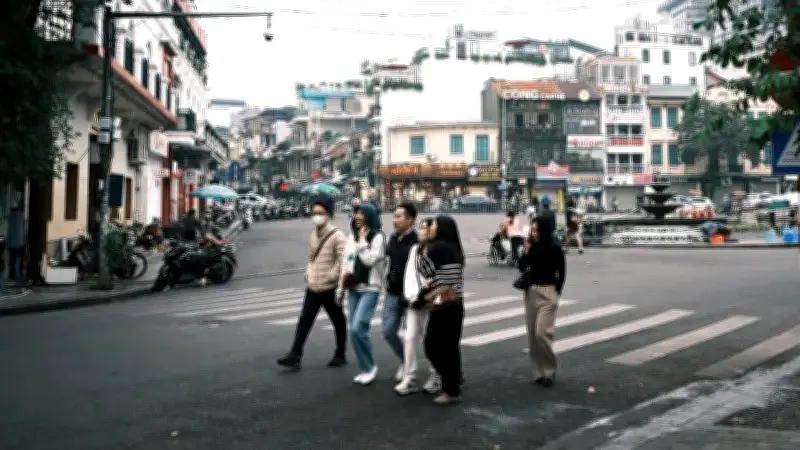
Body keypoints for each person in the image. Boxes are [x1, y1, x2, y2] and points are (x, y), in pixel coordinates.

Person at [277, 199, 348, 370]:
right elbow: (311, 258)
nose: (316, 216)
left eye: (320, 213)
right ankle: (295, 354)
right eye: (314, 213)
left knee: (338, 320)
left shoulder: (337, 235)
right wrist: (308, 273)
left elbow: (342, 261)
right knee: (305, 320)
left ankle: (340, 353)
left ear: (328, 215)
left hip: (329, 288)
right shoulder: (313, 235)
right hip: (313, 286)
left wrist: (331, 276)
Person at [419, 215, 465, 405]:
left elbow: (425, 270)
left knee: (433, 346)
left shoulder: (439, 247)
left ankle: (451, 388)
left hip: (444, 305)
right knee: (450, 348)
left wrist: (423, 247)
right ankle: (453, 383)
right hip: (455, 303)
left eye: (434, 225)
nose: (430, 228)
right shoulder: (453, 247)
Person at [338, 202, 386, 385]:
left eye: (362, 213)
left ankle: (371, 367)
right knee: (353, 330)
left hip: (370, 287)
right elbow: (347, 263)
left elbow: (369, 261)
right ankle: (365, 367)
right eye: (356, 213)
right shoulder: (352, 236)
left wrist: (362, 243)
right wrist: (340, 289)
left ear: (369, 216)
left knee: (359, 327)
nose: (357, 216)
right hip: (353, 288)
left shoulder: (378, 237)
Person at [517, 216, 566, 387]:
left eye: (536, 230)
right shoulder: (532, 247)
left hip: (548, 292)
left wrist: (556, 292)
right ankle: (538, 371)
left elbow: (562, 272)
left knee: (542, 333)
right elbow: (521, 266)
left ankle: (550, 369)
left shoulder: (555, 249)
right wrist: (526, 250)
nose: (533, 233)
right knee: (532, 335)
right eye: (532, 229)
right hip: (531, 292)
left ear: (544, 230)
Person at [396, 218, 441, 395]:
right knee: (409, 338)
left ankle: (436, 374)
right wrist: (412, 297)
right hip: (414, 302)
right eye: (421, 227)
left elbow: (439, 276)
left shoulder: (438, 250)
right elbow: (409, 275)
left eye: (425, 228)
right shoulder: (415, 249)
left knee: (430, 341)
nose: (421, 231)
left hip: (431, 302)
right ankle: (410, 377)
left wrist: (430, 295)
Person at [383, 202, 419, 384]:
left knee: (410, 336)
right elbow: (389, 261)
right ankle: (405, 360)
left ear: (410, 220)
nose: (394, 220)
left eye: (398, 216)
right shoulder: (393, 238)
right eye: (394, 216)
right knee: (388, 331)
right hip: (392, 293)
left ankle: (411, 371)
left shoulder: (417, 241)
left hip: (410, 296)